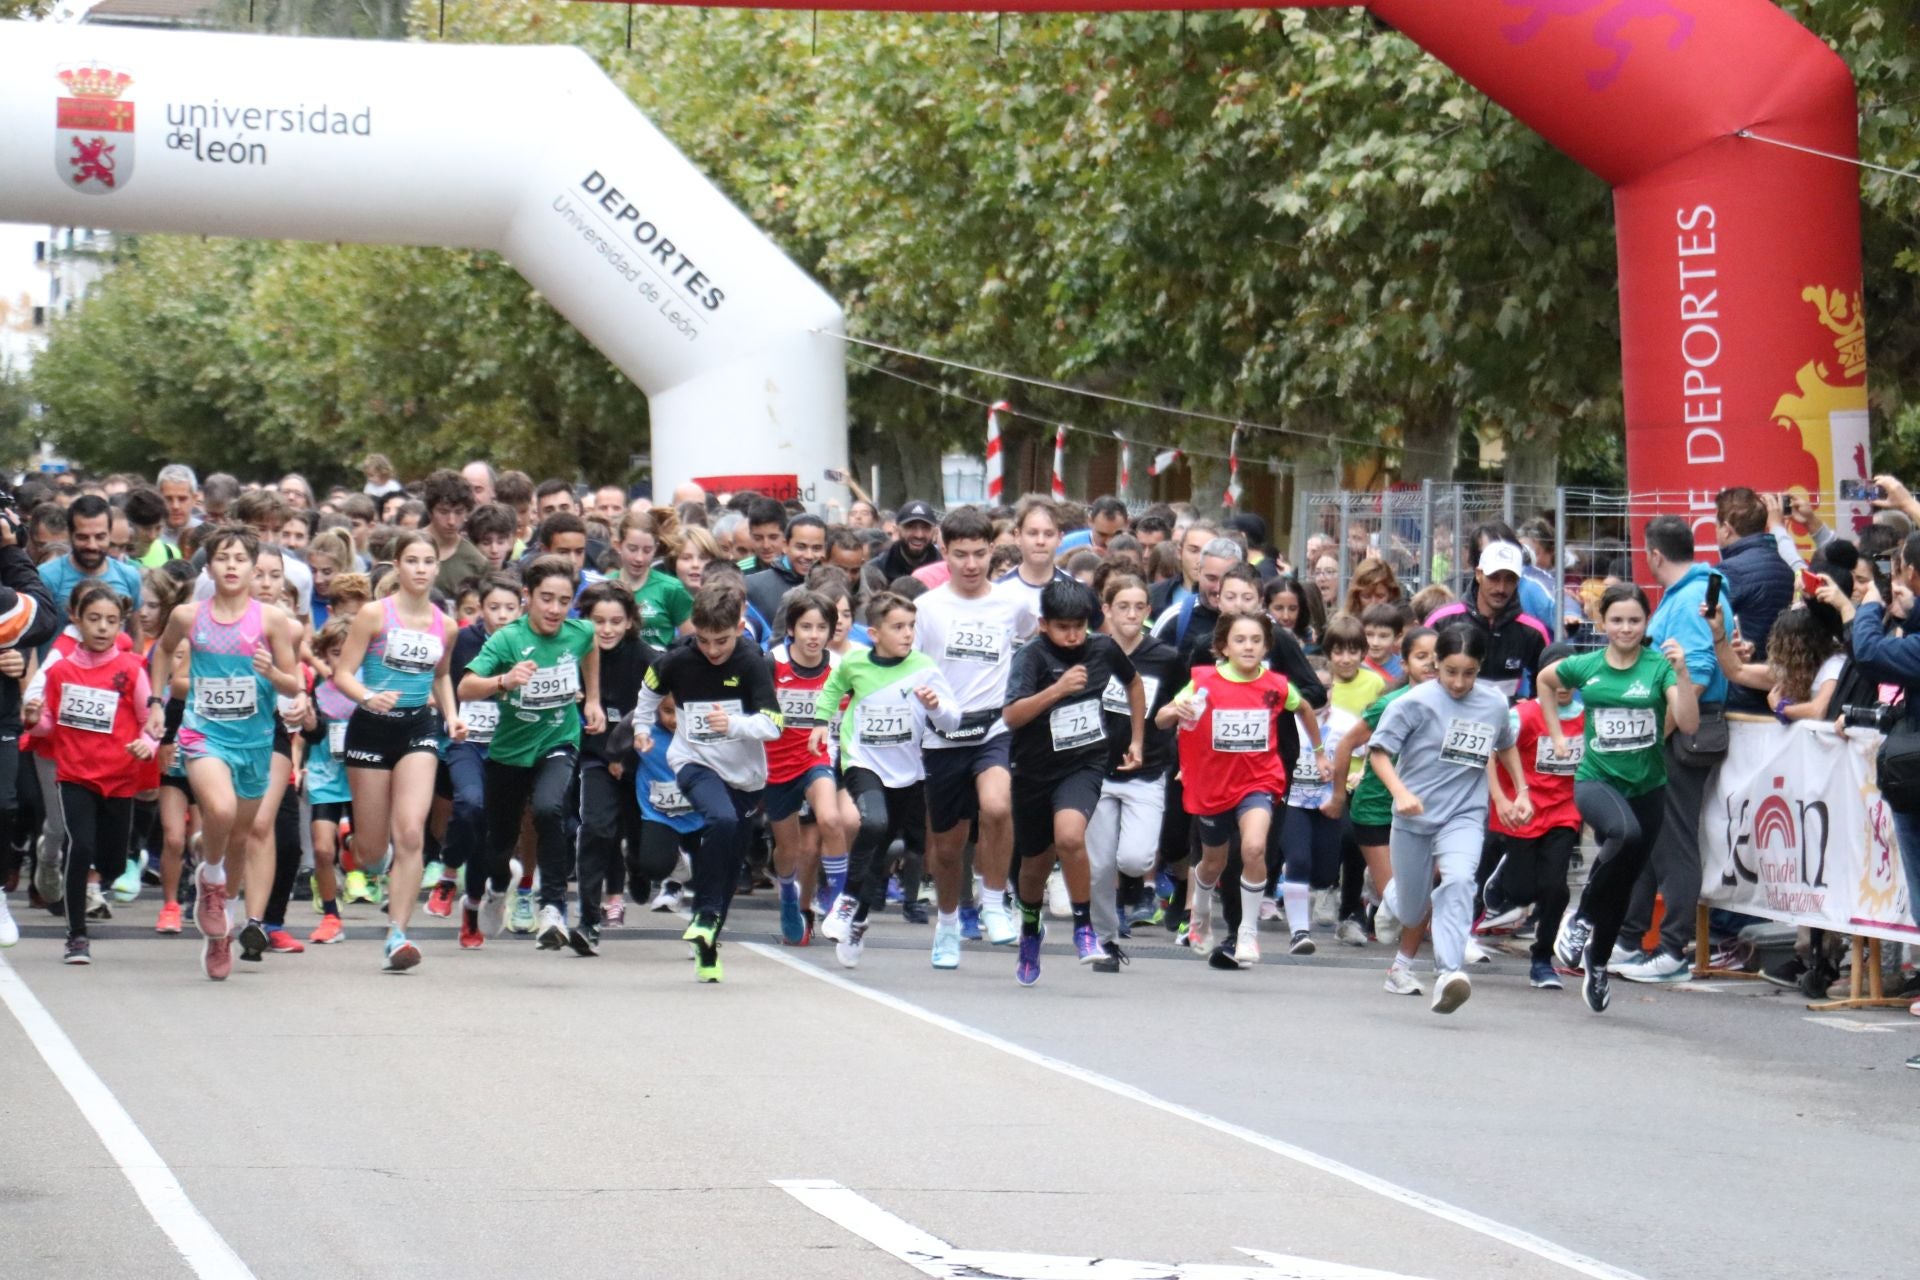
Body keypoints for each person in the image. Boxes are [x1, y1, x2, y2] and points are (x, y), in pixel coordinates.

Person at [146, 527, 305, 982]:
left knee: (239, 835)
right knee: (220, 808)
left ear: (255, 569)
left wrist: (272, 671)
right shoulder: (189, 615)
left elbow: (294, 685)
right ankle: (210, 875)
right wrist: (156, 704)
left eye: (240, 558)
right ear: (209, 567)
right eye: (222, 558)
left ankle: (221, 931)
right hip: (203, 733)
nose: (232, 565)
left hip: (254, 742)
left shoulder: (273, 621)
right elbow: (160, 655)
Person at [1542, 584, 1700, 1010]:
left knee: (1623, 882)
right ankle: (1580, 919)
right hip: (1596, 780)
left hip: (1647, 786)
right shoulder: (1586, 665)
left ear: (1646, 622)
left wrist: (1683, 675)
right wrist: (1557, 735)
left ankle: (1596, 963)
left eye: (1634, 620)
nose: (1626, 628)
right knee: (1624, 835)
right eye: (1617, 620)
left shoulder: (1658, 667)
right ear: (1602, 623)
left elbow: (1686, 724)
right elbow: (1544, 680)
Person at [1367, 624, 1527, 1015]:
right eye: (1450, 670)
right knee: (1411, 909)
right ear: (1436, 662)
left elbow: (1505, 745)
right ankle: (1391, 899)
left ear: (1479, 668)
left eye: (1468, 673)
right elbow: (1379, 752)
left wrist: (1521, 791)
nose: (1458, 682)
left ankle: (1449, 974)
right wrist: (1401, 793)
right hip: (1415, 816)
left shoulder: (1492, 704)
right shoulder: (1413, 703)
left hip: (1465, 814)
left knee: (1458, 882)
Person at [628, 582, 777, 982]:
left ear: (740, 627)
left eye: (722, 641)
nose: (712, 650)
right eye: (705, 640)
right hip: (693, 761)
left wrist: (734, 724)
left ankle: (707, 940)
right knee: (721, 820)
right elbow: (646, 694)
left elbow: (773, 724)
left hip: (744, 774)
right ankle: (706, 914)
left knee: (730, 864)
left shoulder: (752, 662)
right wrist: (642, 728)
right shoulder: (677, 659)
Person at [328, 531, 463, 971]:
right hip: (370, 729)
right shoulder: (373, 615)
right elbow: (342, 673)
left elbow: (441, 676)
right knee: (371, 851)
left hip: (417, 729)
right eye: (412, 560)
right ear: (397, 566)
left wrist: (452, 714)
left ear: (436, 568)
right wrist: (367, 696)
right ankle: (354, 844)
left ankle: (398, 934)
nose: (421, 568)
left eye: (428, 561)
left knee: (409, 832)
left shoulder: (446, 624)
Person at [1161, 610, 1324, 968]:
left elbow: (1306, 709)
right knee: (1213, 862)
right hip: (1214, 783)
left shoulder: (1277, 685)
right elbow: (1162, 717)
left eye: (1255, 640)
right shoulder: (1203, 681)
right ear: (1223, 647)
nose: (1248, 647)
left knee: (1253, 848)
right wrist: (1176, 709)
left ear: (1266, 646)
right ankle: (1200, 912)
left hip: (1259, 780)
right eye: (1240, 640)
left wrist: (1320, 752)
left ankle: (1248, 932)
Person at [809, 591, 961, 968]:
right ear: (874, 633)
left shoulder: (925, 668)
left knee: (878, 850)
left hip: (907, 772)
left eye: (911, 626)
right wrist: (819, 724)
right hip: (863, 761)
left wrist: (935, 706)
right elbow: (832, 687)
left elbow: (952, 720)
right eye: (898, 627)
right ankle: (845, 902)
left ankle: (859, 919)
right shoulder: (855, 663)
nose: (907, 634)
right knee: (872, 822)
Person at [459, 555, 602, 954]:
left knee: (548, 809)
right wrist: (504, 680)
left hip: (559, 740)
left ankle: (553, 908)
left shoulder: (580, 631)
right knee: (500, 843)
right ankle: (497, 888)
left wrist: (593, 699)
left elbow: (590, 647)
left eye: (564, 600)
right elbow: (465, 688)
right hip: (509, 751)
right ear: (527, 597)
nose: (556, 609)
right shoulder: (507, 639)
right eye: (546, 599)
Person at [1002, 579, 1143, 983]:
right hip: (1032, 770)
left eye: (1079, 625)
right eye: (1063, 627)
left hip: (1084, 762)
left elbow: (1133, 683)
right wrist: (1058, 690)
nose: (1073, 635)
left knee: (1069, 835)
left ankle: (1084, 927)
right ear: (1044, 624)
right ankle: (1031, 931)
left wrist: (1136, 739)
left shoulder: (1102, 648)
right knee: (1033, 868)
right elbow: (1011, 716)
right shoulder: (1030, 657)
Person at [913, 506, 1040, 953]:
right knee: (947, 849)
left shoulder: (1013, 602)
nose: (971, 565)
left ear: (992, 552)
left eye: (980, 554)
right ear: (943, 552)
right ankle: (948, 924)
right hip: (943, 733)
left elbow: (1028, 637)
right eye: (961, 554)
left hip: (993, 727)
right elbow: (908, 667)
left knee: (998, 805)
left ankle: (993, 901)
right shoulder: (926, 608)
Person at [1614, 515, 1726, 979]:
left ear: (1653, 555)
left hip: (1682, 733)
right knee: (1650, 836)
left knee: (1673, 841)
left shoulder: (1688, 599)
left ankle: (1673, 949)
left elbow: (1694, 677)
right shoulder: (1695, 592)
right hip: (1674, 730)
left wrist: (1650, 737)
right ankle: (1629, 936)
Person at [24, 585, 157, 965]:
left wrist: (145, 745)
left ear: (121, 625)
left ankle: (108, 871)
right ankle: (76, 936)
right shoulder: (62, 670)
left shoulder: (132, 669)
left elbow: (150, 722)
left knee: (113, 864)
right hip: (74, 774)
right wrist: (34, 721)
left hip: (118, 776)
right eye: (94, 619)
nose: (102, 628)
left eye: (111, 621)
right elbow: (49, 723)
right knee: (79, 847)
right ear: (77, 621)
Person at [1085, 574, 1179, 971]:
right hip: (1096, 770)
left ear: (1148, 611)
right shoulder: (1091, 652)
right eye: (1122, 606)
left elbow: (1174, 707)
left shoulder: (1166, 658)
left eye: (1139, 607)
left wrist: (1171, 715)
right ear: (1106, 610)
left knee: (1135, 860)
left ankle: (1135, 891)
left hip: (1147, 770)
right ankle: (1105, 940)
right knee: (1099, 864)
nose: (1131, 614)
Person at [1480, 641, 1586, 990]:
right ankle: (1501, 884)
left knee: (1555, 888)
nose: (1565, 686)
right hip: (1521, 811)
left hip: (1564, 812)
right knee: (1524, 890)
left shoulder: (1589, 715)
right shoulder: (1522, 715)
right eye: (1558, 678)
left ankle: (1542, 959)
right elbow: (1490, 752)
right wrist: (1502, 797)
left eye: (1572, 677)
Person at [573, 582, 654, 953]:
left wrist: (628, 757)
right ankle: (588, 920)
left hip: (639, 758)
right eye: (598, 621)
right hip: (594, 756)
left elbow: (659, 713)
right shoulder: (575, 654)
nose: (606, 630)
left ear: (630, 622)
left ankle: (637, 866)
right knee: (597, 829)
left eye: (615, 621)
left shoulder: (646, 659)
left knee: (637, 837)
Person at [763, 590, 845, 946]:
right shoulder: (773, 662)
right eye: (806, 627)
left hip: (817, 757)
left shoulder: (840, 667)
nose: (814, 635)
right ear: (792, 630)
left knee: (830, 818)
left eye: (821, 627)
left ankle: (842, 902)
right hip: (776, 764)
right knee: (788, 851)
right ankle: (787, 896)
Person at [1423, 541, 1548, 700]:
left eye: (1509, 579)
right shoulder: (1442, 620)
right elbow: (1421, 673)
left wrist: (1528, 711)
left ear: (1518, 581)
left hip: (1506, 721)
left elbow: (1547, 682)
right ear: (1478, 574)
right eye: (1494, 577)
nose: (1501, 588)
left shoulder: (1533, 631)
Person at [1713, 486, 1795, 715]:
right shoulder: (1786, 565)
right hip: (1780, 688)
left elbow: (1705, 622)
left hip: (1738, 693)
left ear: (1727, 529)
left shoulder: (1722, 573)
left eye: (1717, 526)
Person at [299, 618, 355, 945]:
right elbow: (314, 731)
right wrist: (308, 723)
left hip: (363, 777)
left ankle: (350, 845)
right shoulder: (318, 692)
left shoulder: (368, 688)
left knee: (366, 855)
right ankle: (332, 916)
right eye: (335, 652)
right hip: (325, 776)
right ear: (324, 654)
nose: (341, 660)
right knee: (322, 848)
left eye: (349, 653)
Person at [38, 494, 144, 618]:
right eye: (83, 537)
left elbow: (135, 631)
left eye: (100, 537)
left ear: (110, 534)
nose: (92, 546)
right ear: (70, 535)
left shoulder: (129, 576)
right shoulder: (47, 577)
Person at [611, 512, 693, 648]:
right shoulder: (603, 586)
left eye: (647, 550)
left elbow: (691, 642)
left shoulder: (671, 588)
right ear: (618, 545)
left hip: (659, 666)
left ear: (656, 548)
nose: (639, 558)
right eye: (632, 549)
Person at [746, 513, 827, 639]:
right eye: (801, 547)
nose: (809, 555)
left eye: (816, 548)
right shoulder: (754, 586)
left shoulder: (833, 586)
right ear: (785, 545)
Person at [421, 469, 489, 596]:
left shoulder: (477, 562)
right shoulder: (403, 547)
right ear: (430, 511)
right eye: (443, 512)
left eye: (459, 512)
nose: (451, 521)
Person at [877, 500, 942, 580]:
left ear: (935, 532)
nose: (919, 535)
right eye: (911, 526)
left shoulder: (946, 570)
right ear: (897, 530)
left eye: (926, 527)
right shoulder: (878, 568)